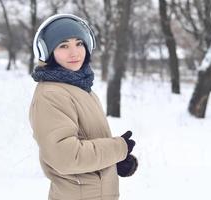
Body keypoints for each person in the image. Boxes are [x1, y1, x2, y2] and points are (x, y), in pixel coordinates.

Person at [29, 13, 138, 200]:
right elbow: (65, 157)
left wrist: (115, 161)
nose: (75, 52)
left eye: (79, 43)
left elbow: (88, 140)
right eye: (63, 46)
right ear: (47, 51)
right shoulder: (51, 95)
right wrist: (117, 149)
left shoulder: (81, 88)